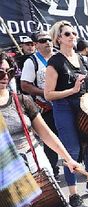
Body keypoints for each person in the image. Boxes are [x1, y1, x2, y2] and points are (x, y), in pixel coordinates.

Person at [1, 52, 82, 207]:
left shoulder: (22, 100)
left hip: (34, 162)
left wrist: (68, 159)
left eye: (9, 72)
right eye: (0, 73)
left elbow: (45, 133)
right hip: (5, 171)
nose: (5, 77)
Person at [44, 20, 88, 207]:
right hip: (63, 108)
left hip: (85, 107)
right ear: (58, 38)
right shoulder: (55, 62)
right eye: (67, 34)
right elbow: (48, 94)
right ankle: (73, 195)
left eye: (73, 33)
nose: (72, 36)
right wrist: (72, 90)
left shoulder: (84, 60)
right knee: (71, 150)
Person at [20, 30, 59, 177]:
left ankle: (83, 163)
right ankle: (53, 169)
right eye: (42, 41)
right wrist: (45, 93)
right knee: (50, 138)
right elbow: (25, 85)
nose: (47, 42)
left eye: (49, 39)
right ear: (36, 44)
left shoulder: (59, 56)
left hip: (65, 102)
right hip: (47, 106)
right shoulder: (32, 61)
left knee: (74, 134)